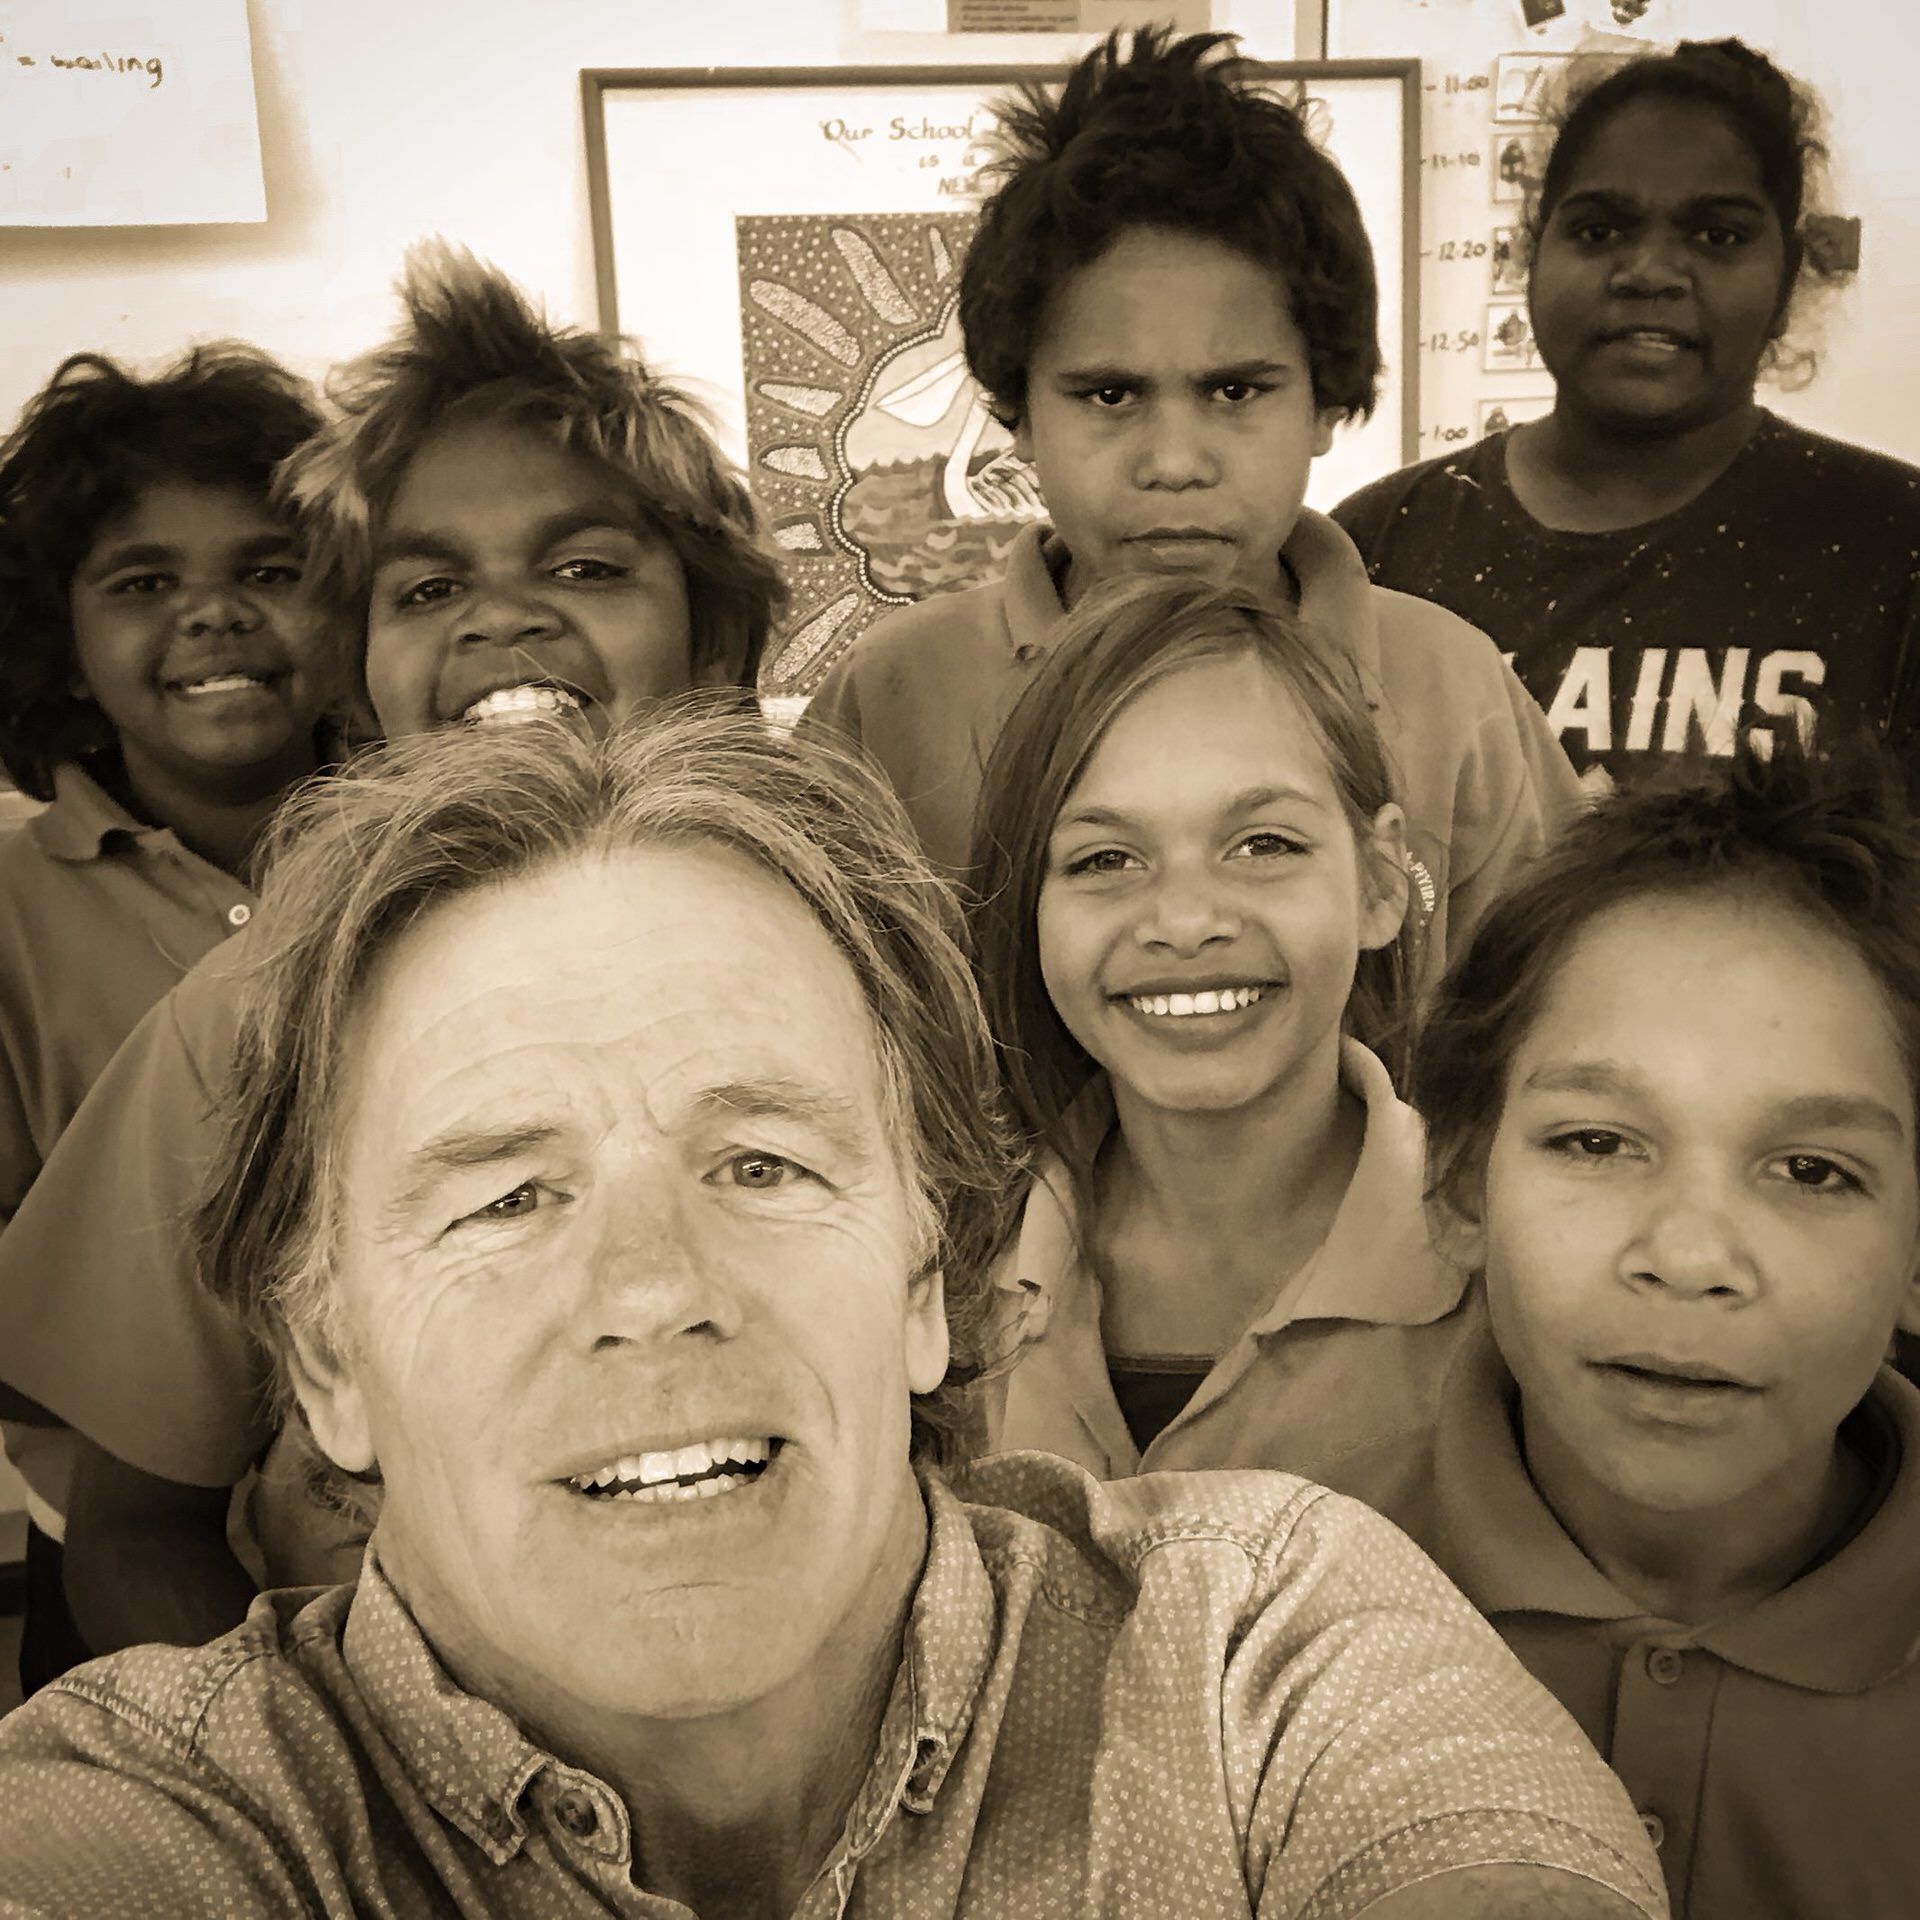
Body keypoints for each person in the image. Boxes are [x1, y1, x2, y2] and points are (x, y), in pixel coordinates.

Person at [0, 710, 1669, 1920]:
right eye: (506, 1198)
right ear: (328, 1358)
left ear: (930, 1282)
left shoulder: (1251, 1644)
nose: (654, 1289)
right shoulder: (171, 1809)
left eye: (763, 1163)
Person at [0, 245, 784, 1658]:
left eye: (585, 566)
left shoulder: (840, 965)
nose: (501, 617)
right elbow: (136, 1531)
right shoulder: (248, 1018)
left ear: (716, 635)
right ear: (358, 675)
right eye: (425, 590)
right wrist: (328, 1761)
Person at [800, 27, 1578, 987]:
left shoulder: (1453, 693)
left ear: (1326, 402)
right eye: (1110, 395)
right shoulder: (892, 697)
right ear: (1017, 414)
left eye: (1235, 391)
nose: (1174, 464)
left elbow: (1546, 1008)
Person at [1325, 745, 1920, 1918]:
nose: (1689, 1258)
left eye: (1811, 1170)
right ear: (1460, 1185)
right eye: (1596, 1142)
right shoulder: (1278, 1622)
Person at [975, 570, 1478, 1481]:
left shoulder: (1504, 1270)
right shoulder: (944, 1268)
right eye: (1105, 859)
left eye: (1263, 845)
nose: (1184, 920)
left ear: (1377, 883)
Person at [0, 344, 335, 1691]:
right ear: (62, 643)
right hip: (118, 1561)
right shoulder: (10, 912)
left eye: (270, 571)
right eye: (143, 585)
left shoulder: (447, 849)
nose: (212, 617)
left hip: (424, 1552)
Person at [1333, 39, 1920, 793]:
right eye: (1599, 231)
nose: (1649, 273)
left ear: (1787, 279)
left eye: (1718, 236)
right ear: (1528, 255)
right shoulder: (1380, 546)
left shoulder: (1892, 551)